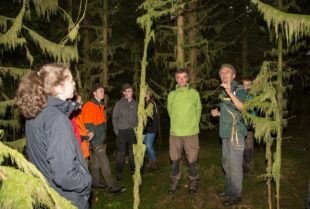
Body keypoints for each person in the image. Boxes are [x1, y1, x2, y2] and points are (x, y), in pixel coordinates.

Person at [15, 63, 91, 209]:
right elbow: (64, 175)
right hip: (68, 200)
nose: (74, 83)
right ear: (58, 88)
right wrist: (86, 182)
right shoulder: (57, 120)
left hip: (51, 195)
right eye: (70, 81)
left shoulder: (36, 113)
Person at [211, 64, 247, 206]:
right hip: (225, 133)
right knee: (226, 162)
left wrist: (230, 93)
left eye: (227, 72)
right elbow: (230, 112)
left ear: (234, 75)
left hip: (236, 133)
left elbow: (243, 108)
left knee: (235, 165)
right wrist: (218, 113)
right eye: (221, 73)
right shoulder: (223, 92)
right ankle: (228, 188)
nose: (224, 74)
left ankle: (236, 194)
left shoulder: (239, 90)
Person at [80, 84, 125, 193]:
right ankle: (112, 185)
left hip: (100, 139)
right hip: (95, 140)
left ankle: (95, 181)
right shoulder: (89, 105)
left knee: (96, 161)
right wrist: (93, 138)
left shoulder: (100, 105)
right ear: (94, 93)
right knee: (105, 162)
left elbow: (100, 124)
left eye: (103, 91)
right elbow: (87, 125)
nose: (102, 93)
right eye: (100, 91)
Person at [167, 68, 202, 194]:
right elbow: (170, 112)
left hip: (191, 133)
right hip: (175, 133)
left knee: (192, 159)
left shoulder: (194, 94)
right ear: (176, 79)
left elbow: (198, 111)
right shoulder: (172, 95)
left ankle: (193, 180)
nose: (181, 80)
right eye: (179, 77)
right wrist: (177, 124)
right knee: (175, 159)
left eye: (184, 77)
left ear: (187, 79)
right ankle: (175, 181)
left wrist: (192, 125)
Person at [112, 83, 138, 180]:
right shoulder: (119, 104)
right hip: (122, 132)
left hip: (132, 132)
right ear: (124, 93)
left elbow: (139, 117)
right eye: (128, 91)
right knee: (121, 154)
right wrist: (117, 132)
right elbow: (114, 118)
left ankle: (133, 171)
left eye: (131, 91)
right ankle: (119, 172)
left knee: (133, 154)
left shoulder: (136, 104)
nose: (130, 92)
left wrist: (138, 130)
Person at [70, 95, 94, 162]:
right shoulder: (69, 117)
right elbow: (71, 136)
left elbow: (82, 128)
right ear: (74, 103)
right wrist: (84, 138)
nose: (82, 103)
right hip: (77, 152)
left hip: (84, 149)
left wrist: (89, 132)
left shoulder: (78, 115)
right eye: (80, 101)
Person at [143, 90, 159, 169]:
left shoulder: (151, 103)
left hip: (151, 128)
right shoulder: (147, 103)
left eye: (145, 93)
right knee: (146, 145)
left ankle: (154, 161)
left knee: (148, 145)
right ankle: (150, 161)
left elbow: (150, 116)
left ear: (149, 94)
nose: (144, 94)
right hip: (147, 128)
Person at [242, 78, 255, 174]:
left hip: (250, 124)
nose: (246, 86)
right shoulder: (240, 95)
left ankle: (248, 164)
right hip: (240, 123)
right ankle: (241, 164)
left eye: (248, 84)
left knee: (248, 144)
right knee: (240, 144)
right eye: (244, 84)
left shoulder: (253, 95)